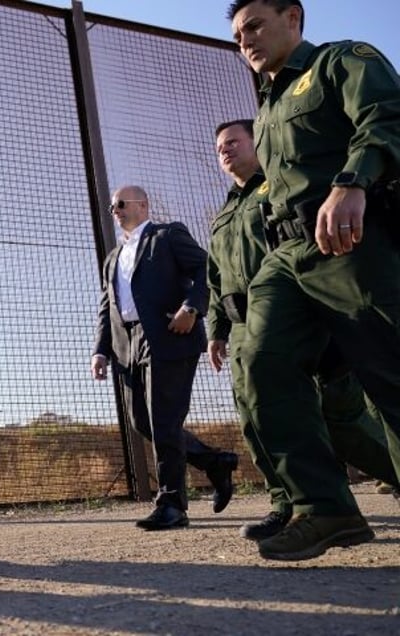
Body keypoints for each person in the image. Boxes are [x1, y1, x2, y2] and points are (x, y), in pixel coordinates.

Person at [227, 0, 400, 560]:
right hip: (288, 255)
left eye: (254, 25)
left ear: (293, 18)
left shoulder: (338, 62)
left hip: (349, 240)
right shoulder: (267, 105)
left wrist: (353, 181)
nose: (246, 40)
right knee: (261, 360)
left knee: (389, 371)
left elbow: (386, 114)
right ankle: (323, 507)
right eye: (237, 35)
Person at [207, 119, 400, 542]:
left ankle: (390, 474)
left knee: (342, 417)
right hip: (245, 323)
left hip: (300, 310)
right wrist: (216, 328)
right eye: (219, 147)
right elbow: (214, 277)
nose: (225, 150)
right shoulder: (222, 214)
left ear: (258, 143)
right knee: (258, 418)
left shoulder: (277, 191)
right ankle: (288, 503)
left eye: (233, 142)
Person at [91, 185, 239, 531]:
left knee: (164, 421)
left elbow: (207, 268)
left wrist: (191, 307)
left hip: (169, 335)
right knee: (143, 421)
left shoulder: (168, 234)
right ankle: (215, 462)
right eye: (113, 206)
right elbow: (105, 307)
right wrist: (101, 350)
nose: (115, 210)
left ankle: (172, 504)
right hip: (126, 344)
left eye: (121, 203)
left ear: (142, 205)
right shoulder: (112, 257)